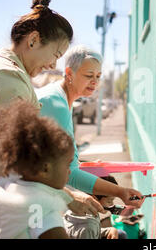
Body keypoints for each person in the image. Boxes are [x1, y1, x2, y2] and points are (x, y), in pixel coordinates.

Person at [0, 0, 73, 238]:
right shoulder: (8, 77)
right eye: (56, 54)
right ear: (33, 40)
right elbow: (25, 157)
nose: (53, 64)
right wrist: (68, 196)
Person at [36, 46, 144, 212]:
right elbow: (69, 173)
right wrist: (120, 192)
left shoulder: (60, 97)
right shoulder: (56, 103)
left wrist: (87, 166)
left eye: (98, 76)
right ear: (69, 73)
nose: (95, 81)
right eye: (88, 75)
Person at [0, 100, 74, 239]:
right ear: (45, 169)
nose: (69, 171)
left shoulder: (14, 190)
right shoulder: (40, 207)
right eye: (68, 164)